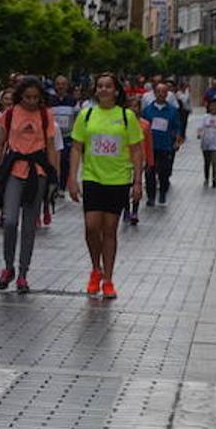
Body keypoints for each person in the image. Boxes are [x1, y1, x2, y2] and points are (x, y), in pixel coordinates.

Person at [67, 72, 144, 300]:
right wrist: (72, 178)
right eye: (99, 86)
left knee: (110, 230)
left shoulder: (127, 116)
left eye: (108, 86)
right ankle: (95, 269)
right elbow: (76, 148)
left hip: (118, 180)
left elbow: (136, 150)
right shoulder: (86, 115)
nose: (103, 89)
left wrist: (137, 181)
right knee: (91, 227)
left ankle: (108, 279)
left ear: (116, 91)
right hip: (92, 177)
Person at [0, 76, 58, 294]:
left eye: (36, 97)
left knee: (29, 225)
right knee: (9, 221)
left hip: (38, 172)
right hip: (14, 170)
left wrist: (54, 177)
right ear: (20, 96)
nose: (31, 101)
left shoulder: (46, 115)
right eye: (27, 97)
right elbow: (0, 144)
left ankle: (23, 274)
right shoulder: (10, 114)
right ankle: (8, 266)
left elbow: (51, 146)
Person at [140, 82, 184, 206]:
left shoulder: (172, 111)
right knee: (150, 172)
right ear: (154, 93)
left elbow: (177, 127)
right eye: (158, 91)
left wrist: (177, 140)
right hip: (150, 146)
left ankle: (163, 192)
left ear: (167, 94)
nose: (160, 94)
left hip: (166, 146)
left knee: (164, 172)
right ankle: (151, 196)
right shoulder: (148, 110)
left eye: (163, 92)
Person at [123, 94, 153, 227]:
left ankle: (134, 211)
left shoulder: (145, 124)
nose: (133, 109)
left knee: (137, 185)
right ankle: (126, 210)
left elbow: (149, 144)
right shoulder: (122, 124)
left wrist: (150, 161)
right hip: (124, 159)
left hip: (140, 159)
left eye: (135, 106)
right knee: (125, 187)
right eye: (130, 106)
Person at [50, 76, 78, 212]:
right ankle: (53, 184)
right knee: (53, 160)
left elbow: (77, 117)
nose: (60, 86)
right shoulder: (50, 100)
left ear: (67, 86)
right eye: (58, 84)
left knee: (65, 161)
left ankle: (61, 187)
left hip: (67, 137)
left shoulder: (73, 101)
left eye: (63, 84)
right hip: (53, 136)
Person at [197, 103, 216, 187]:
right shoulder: (205, 117)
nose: (213, 108)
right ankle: (206, 178)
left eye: (214, 106)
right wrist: (199, 134)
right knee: (207, 162)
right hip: (205, 143)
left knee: (214, 161)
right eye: (211, 106)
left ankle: (214, 178)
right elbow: (200, 127)